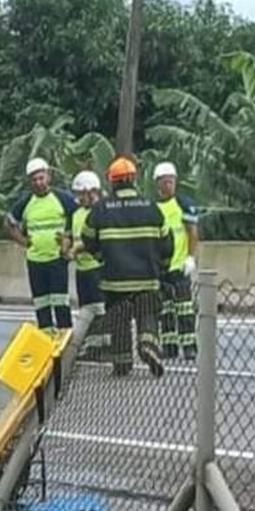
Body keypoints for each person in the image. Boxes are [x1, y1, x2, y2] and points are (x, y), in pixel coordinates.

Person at [80, 157, 173, 377]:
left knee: (119, 318)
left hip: (115, 280)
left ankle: (122, 361)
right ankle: (148, 343)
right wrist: (162, 268)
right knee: (147, 313)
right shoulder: (151, 208)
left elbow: (87, 239)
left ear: (112, 181)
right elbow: (167, 242)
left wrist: (101, 258)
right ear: (133, 179)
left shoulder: (101, 209)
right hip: (147, 277)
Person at [6, 157, 77, 334]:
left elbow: (79, 218)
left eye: (41, 178)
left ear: (48, 176)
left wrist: (68, 238)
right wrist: (22, 240)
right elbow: (8, 223)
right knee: (41, 301)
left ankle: (64, 336)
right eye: (34, 179)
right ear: (30, 181)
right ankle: (46, 338)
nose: (38, 182)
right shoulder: (25, 202)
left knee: (60, 300)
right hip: (35, 260)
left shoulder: (62, 198)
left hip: (57, 258)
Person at [153, 162, 200, 361]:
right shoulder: (153, 208)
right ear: (158, 184)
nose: (169, 186)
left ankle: (188, 346)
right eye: (165, 182)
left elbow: (192, 232)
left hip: (180, 266)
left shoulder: (184, 204)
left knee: (185, 308)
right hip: (161, 268)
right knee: (165, 310)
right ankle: (169, 346)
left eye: (171, 182)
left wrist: (191, 257)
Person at [69, 170, 107, 360]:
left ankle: (102, 346)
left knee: (99, 308)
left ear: (91, 192)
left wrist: (79, 249)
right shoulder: (77, 214)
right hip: (81, 268)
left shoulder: (101, 212)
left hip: (96, 267)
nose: (79, 198)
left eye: (81, 194)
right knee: (87, 305)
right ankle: (92, 345)